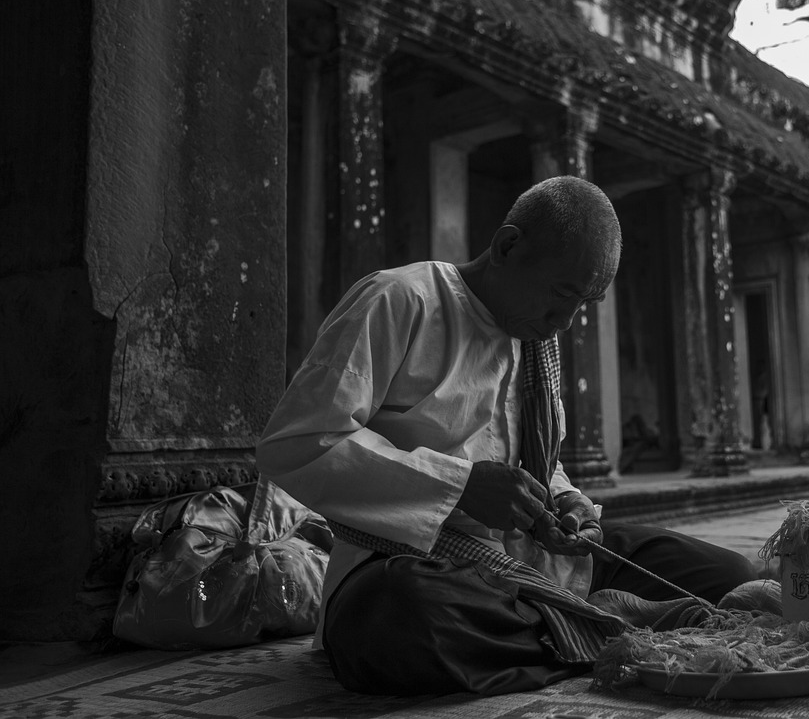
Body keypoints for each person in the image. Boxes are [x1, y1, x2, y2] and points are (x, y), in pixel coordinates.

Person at [257, 175, 756, 696]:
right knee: (397, 617)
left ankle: (582, 628)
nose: (564, 321)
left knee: (729, 576)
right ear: (507, 246)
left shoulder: (535, 340)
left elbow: (543, 462)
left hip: (533, 566)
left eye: (584, 303)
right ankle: (613, 629)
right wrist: (460, 486)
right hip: (415, 567)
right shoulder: (400, 299)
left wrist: (565, 502)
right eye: (561, 295)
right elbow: (298, 443)